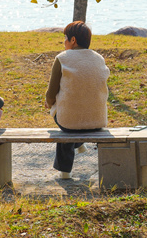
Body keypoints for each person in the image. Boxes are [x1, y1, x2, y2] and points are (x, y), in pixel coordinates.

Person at [45, 21, 110, 179]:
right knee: (72, 117)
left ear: (73, 40)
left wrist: (49, 103)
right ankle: (79, 144)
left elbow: (51, 92)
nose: (64, 42)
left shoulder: (62, 58)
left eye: (65, 38)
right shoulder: (99, 58)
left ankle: (65, 172)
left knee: (67, 122)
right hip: (97, 121)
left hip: (69, 123)